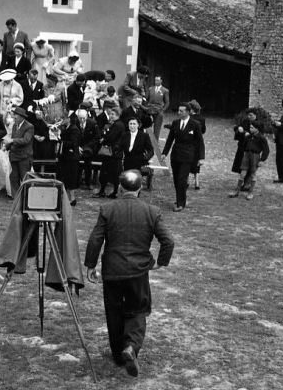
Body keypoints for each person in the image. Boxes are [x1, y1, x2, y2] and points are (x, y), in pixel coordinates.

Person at [85, 169, 175, 377]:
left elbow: (95, 238)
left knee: (114, 312)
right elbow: (168, 241)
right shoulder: (152, 211)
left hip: (112, 271)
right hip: (138, 272)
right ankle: (131, 347)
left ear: (120, 188)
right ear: (140, 188)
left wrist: (90, 265)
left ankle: (118, 354)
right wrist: (160, 263)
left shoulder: (107, 209)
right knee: (137, 310)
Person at [161, 102, 205, 212]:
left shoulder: (195, 124)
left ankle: (181, 204)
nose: (179, 112)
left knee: (182, 179)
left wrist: (201, 157)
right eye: (178, 110)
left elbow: (200, 142)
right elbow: (170, 139)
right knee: (176, 179)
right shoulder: (175, 123)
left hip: (188, 156)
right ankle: (179, 198)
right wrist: (164, 153)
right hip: (175, 155)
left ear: (188, 112)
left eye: (181, 111)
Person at [228, 120, 269, 200]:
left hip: (255, 157)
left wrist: (262, 160)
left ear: (257, 129)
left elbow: (266, 150)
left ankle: (250, 192)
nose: (250, 129)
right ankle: (237, 191)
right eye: (250, 127)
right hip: (246, 155)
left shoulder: (261, 138)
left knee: (252, 174)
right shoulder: (249, 137)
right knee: (242, 174)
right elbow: (243, 145)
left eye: (252, 128)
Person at [3, 107, 34, 196]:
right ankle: (16, 198)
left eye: (15, 116)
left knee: (24, 179)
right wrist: (6, 147)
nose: (14, 118)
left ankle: (27, 199)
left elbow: (25, 140)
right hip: (14, 156)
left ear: (21, 117)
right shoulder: (14, 126)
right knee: (13, 178)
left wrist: (11, 141)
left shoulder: (29, 127)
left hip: (24, 157)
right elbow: (12, 139)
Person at [95, 107, 125, 199]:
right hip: (114, 153)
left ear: (118, 115)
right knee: (109, 173)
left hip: (113, 153)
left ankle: (112, 192)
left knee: (110, 173)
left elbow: (110, 137)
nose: (111, 116)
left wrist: (103, 139)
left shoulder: (117, 125)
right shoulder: (117, 124)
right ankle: (108, 191)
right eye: (111, 114)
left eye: (113, 114)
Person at [231, 108, 259, 190]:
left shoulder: (258, 124)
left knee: (251, 166)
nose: (249, 117)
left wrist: (246, 133)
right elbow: (237, 127)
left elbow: (258, 135)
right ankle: (244, 182)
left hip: (252, 148)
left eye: (251, 115)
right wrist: (238, 129)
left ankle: (247, 184)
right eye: (248, 115)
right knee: (242, 165)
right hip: (243, 146)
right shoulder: (246, 121)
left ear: (255, 115)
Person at [57, 115, 82, 206]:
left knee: (71, 178)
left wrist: (62, 141)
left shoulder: (74, 129)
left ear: (69, 119)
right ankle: (67, 198)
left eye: (63, 118)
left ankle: (72, 198)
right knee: (66, 178)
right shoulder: (66, 128)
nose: (61, 120)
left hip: (71, 158)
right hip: (65, 157)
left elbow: (74, 143)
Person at [77, 109, 100, 189]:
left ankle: (88, 182)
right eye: (80, 118)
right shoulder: (75, 123)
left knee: (88, 162)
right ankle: (76, 182)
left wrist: (86, 147)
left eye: (84, 118)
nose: (82, 120)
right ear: (78, 117)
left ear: (87, 116)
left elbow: (97, 137)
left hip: (89, 148)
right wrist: (77, 147)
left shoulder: (92, 123)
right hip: (77, 147)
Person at [188, 100, 206, 190]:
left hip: (190, 142)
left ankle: (186, 180)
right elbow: (203, 131)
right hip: (198, 142)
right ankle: (197, 182)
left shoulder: (189, 118)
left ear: (192, 109)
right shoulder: (202, 118)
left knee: (188, 160)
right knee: (196, 162)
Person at [145, 75, 170, 140]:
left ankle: (155, 144)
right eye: (155, 80)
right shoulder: (150, 89)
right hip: (149, 110)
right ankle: (147, 141)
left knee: (157, 129)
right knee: (147, 127)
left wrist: (162, 110)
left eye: (158, 80)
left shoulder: (165, 90)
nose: (156, 81)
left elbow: (167, 103)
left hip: (158, 111)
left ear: (161, 81)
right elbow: (145, 99)